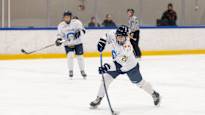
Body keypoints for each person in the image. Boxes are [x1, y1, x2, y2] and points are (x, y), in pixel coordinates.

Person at [90, 25, 161, 108]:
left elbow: (119, 64)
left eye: (122, 37)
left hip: (130, 67)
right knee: (106, 79)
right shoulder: (113, 34)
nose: (120, 39)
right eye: (118, 37)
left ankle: (154, 94)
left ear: (126, 37)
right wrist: (102, 41)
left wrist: (106, 67)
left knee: (139, 83)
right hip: (115, 64)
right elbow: (106, 35)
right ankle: (99, 98)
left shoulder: (127, 48)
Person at [55, 10, 87, 79]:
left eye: (68, 17)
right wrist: (58, 40)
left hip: (78, 42)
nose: (66, 18)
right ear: (63, 18)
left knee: (80, 57)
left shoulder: (76, 22)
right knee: (70, 56)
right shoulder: (61, 25)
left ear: (71, 17)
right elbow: (59, 35)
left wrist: (79, 33)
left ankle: (82, 70)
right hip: (68, 44)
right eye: (65, 17)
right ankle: (71, 71)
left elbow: (84, 30)